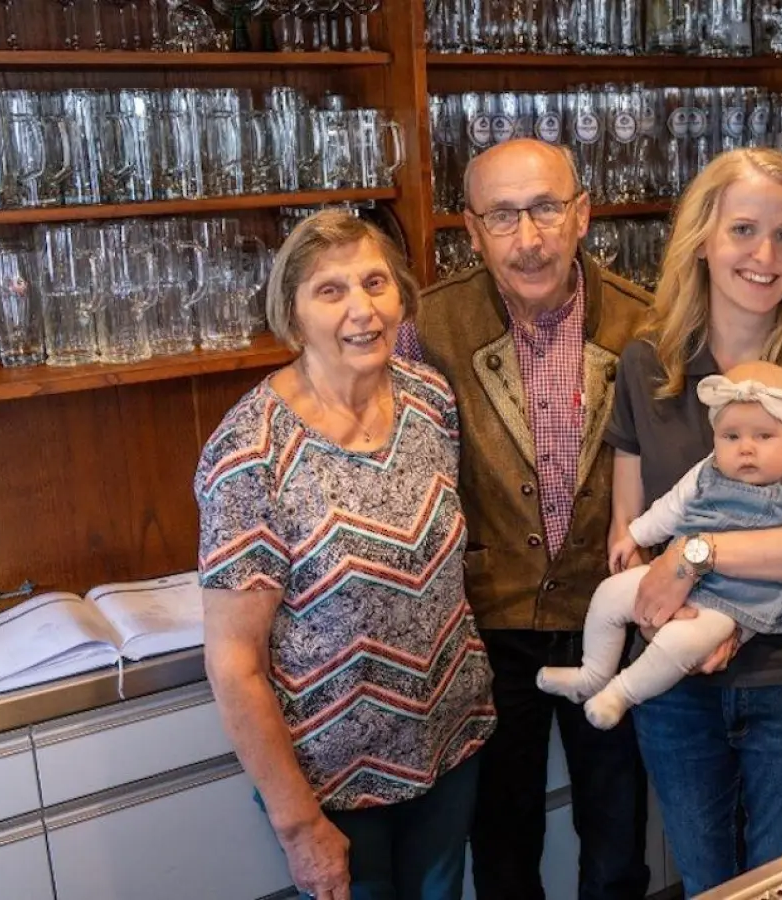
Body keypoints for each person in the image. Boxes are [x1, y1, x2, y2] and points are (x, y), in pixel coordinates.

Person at [198, 209, 495, 900]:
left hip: (450, 743)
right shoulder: (250, 453)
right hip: (333, 784)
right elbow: (234, 663)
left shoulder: (430, 399)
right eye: (330, 291)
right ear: (293, 315)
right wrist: (299, 826)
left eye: (375, 283)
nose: (362, 309)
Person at [604, 147, 782, 897]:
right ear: (702, 240)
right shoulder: (648, 362)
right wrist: (678, 626)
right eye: (744, 230)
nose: (765, 256)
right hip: (676, 683)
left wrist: (698, 554)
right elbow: (627, 538)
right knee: (707, 884)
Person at [401, 138, 652, 900]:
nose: (529, 238)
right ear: (471, 232)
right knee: (503, 845)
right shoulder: (428, 325)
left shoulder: (648, 321)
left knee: (616, 840)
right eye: (503, 216)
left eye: (546, 208)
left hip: (611, 614)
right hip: (487, 625)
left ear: (583, 215)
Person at [539, 360, 782, 729]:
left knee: (681, 643)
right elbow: (669, 508)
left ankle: (621, 694)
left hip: (736, 604)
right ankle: (592, 675)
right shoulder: (706, 472)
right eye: (731, 436)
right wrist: (635, 535)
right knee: (609, 594)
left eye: (764, 436)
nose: (746, 448)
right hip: (675, 579)